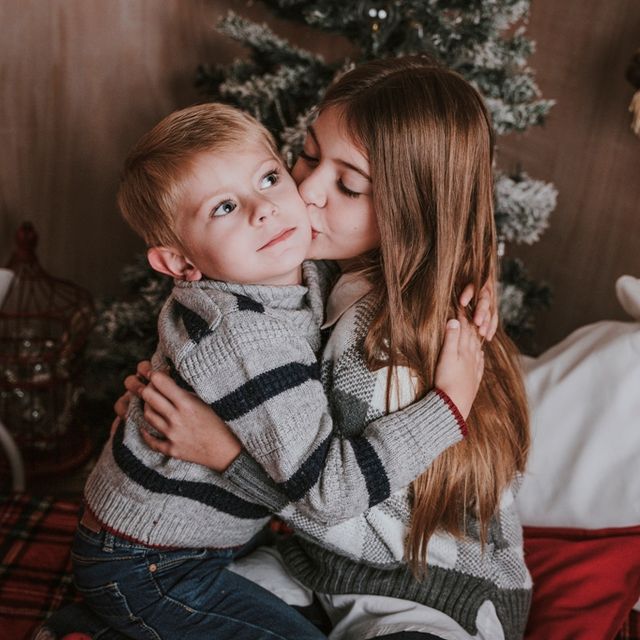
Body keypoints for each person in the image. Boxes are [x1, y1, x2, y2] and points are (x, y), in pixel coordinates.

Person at [36, 98, 485, 640]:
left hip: (193, 534)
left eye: (270, 178)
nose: (265, 209)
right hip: (152, 562)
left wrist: (477, 275)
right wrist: (449, 407)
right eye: (224, 208)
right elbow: (329, 492)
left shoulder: (287, 270)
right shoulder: (248, 336)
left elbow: (420, 230)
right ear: (180, 264)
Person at [125, 56, 531, 640]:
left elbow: (343, 510)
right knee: (165, 603)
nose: (303, 192)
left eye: (348, 185)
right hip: (323, 568)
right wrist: (166, 404)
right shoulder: (321, 275)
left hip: (423, 593)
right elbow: (234, 336)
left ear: (411, 210)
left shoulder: (382, 358)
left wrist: (223, 455)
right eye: (308, 155)